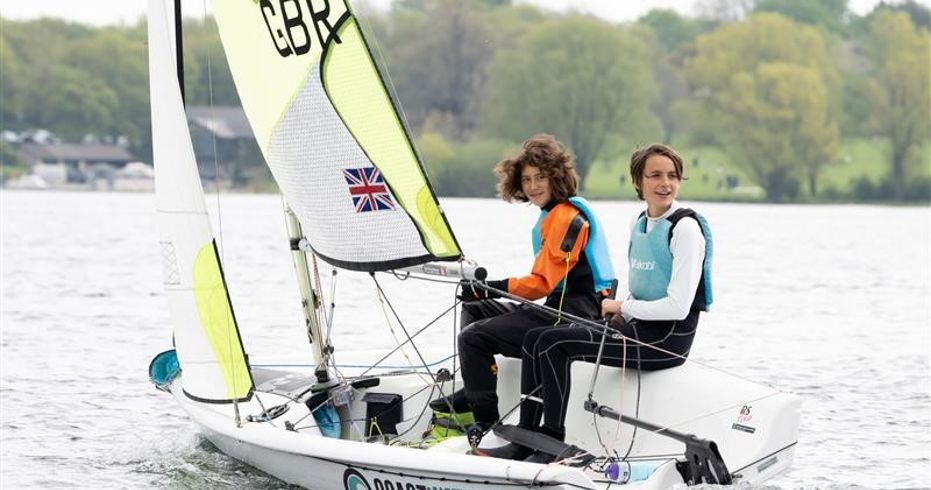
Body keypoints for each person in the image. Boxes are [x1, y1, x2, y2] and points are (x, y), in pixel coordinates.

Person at [489, 143, 713, 463]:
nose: (665, 183)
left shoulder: (686, 229)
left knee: (553, 344)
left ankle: (551, 440)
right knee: (535, 337)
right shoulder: (641, 222)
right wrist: (622, 314)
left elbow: (677, 307)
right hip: (638, 327)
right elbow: (644, 289)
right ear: (638, 182)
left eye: (672, 176)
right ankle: (526, 436)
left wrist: (621, 308)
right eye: (655, 175)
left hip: (667, 340)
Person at [455, 134, 616, 438]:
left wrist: (491, 286)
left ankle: (485, 422)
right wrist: (484, 292)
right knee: (474, 309)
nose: (533, 186)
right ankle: (473, 386)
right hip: (556, 306)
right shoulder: (551, 214)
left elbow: (541, 284)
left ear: (557, 177)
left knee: (472, 338)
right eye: (526, 179)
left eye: (541, 177)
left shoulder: (566, 218)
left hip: (573, 314)